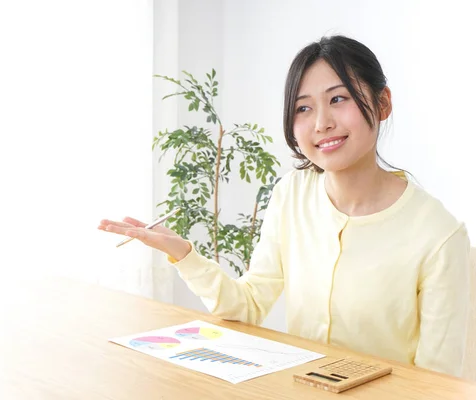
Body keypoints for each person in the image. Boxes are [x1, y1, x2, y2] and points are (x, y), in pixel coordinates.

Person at [98, 35, 471, 377]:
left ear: (382, 103)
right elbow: (247, 306)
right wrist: (183, 254)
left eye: (338, 99)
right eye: (303, 108)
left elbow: (436, 383)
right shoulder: (291, 195)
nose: (322, 123)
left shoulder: (439, 235)